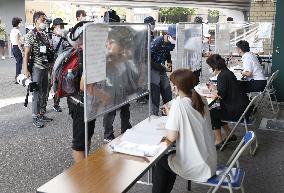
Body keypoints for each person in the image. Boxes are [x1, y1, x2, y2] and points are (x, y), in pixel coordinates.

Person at [152, 69, 217, 193]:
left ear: (176, 88)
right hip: (209, 160)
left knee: (161, 160)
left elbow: (171, 138)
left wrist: (171, 117)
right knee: (170, 160)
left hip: (197, 166)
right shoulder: (201, 99)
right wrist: (172, 115)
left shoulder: (178, 105)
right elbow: (191, 121)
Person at [103, 10, 137, 142]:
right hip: (110, 76)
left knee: (125, 105)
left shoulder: (120, 36)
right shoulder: (105, 36)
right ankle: (108, 134)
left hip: (122, 74)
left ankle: (126, 128)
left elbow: (127, 54)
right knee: (110, 107)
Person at [206, 54, 249, 149]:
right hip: (243, 106)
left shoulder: (221, 76)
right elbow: (226, 89)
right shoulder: (227, 72)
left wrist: (212, 89)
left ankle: (219, 140)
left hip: (237, 110)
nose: (209, 68)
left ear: (214, 66)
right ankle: (230, 134)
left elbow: (221, 95)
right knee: (217, 110)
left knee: (212, 113)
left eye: (210, 66)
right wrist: (216, 89)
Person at [24, 11, 54, 128]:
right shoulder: (30, 35)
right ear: (36, 20)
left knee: (45, 91)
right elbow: (26, 54)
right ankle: (35, 116)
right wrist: (26, 70)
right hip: (36, 68)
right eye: (42, 20)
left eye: (45, 20)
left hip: (46, 67)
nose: (44, 22)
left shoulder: (44, 34)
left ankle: (42, 113)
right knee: (37, 92)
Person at [150, 25, 176, 115]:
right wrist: (161, 67)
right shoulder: (156, 43)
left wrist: (169, 64)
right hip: (152, 68)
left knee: (167, 91)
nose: (175, 39)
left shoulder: (171, 43)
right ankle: (154, 115)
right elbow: (147, 59)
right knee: (155, 93)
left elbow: (168, 53)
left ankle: (166, 114)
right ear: (168, 35)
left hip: (161, 68)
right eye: (174, 37)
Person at [49, 18, 70, 112]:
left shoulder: (64, 37)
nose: (62, 28)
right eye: (60, 26)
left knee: (58, 84)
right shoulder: (49, 37)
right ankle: (42, 107)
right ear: (54, 26)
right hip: (51, 65)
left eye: (63, 26)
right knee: (49, 85)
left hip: (61, 64)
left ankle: (56, 104)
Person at [10, 17, 24, 82]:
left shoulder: (12, 30)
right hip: (17, 48)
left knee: (18, 62)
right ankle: (17, 78)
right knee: (19, 63)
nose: (21, 24)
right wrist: (22, 51)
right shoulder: (17, 31)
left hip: (14, 47)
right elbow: (18, 41)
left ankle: (17, 77)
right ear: (18, 23)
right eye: (20, 22)